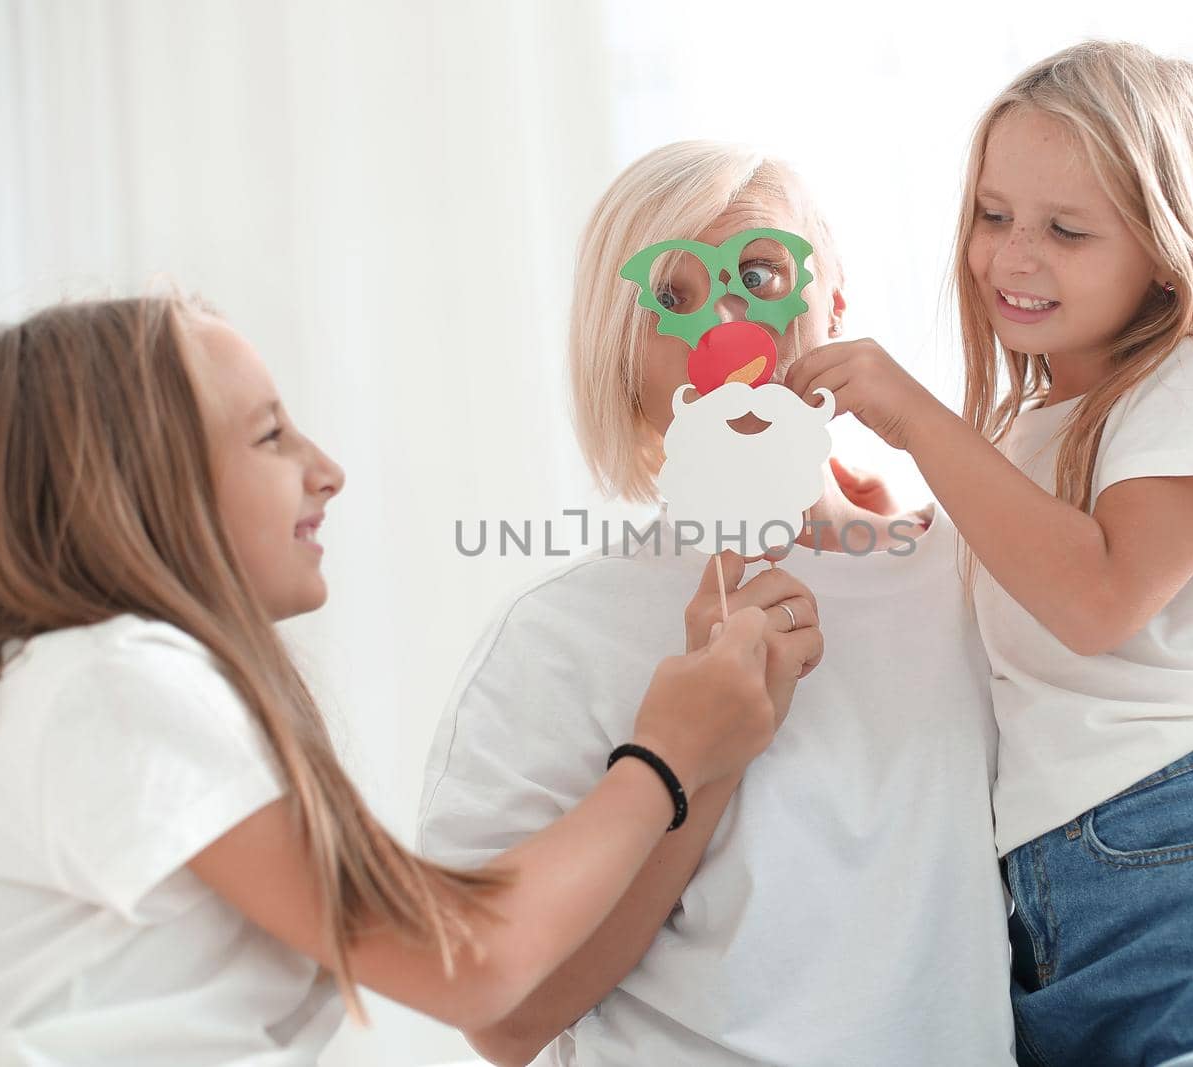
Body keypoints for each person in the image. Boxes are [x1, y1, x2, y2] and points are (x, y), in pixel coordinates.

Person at [0, 295, 787, 1065]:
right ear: (134, 486)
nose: (328, 470)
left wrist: (697, 753)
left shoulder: (71, 690)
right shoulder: (115, 686)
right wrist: (668, 753)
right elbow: (469, 962)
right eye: (271, 435)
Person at [785, 40, 1193, 1065]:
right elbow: (1020, 600)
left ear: (1163, 245)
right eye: (992, 215)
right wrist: (907, 534)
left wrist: (919, 422)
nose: (1013, 257)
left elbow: (1098, 597)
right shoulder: (1027, 432)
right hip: (1056, 889)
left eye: (1065, 230)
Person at [418, 140, 1017, 1066]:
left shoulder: (975, 583)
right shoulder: (555, 640)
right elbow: (501, 1017)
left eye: (764, 274)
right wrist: (704, 760)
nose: (729, 325)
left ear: (836, 304)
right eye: (677, 296)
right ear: (624, 353)